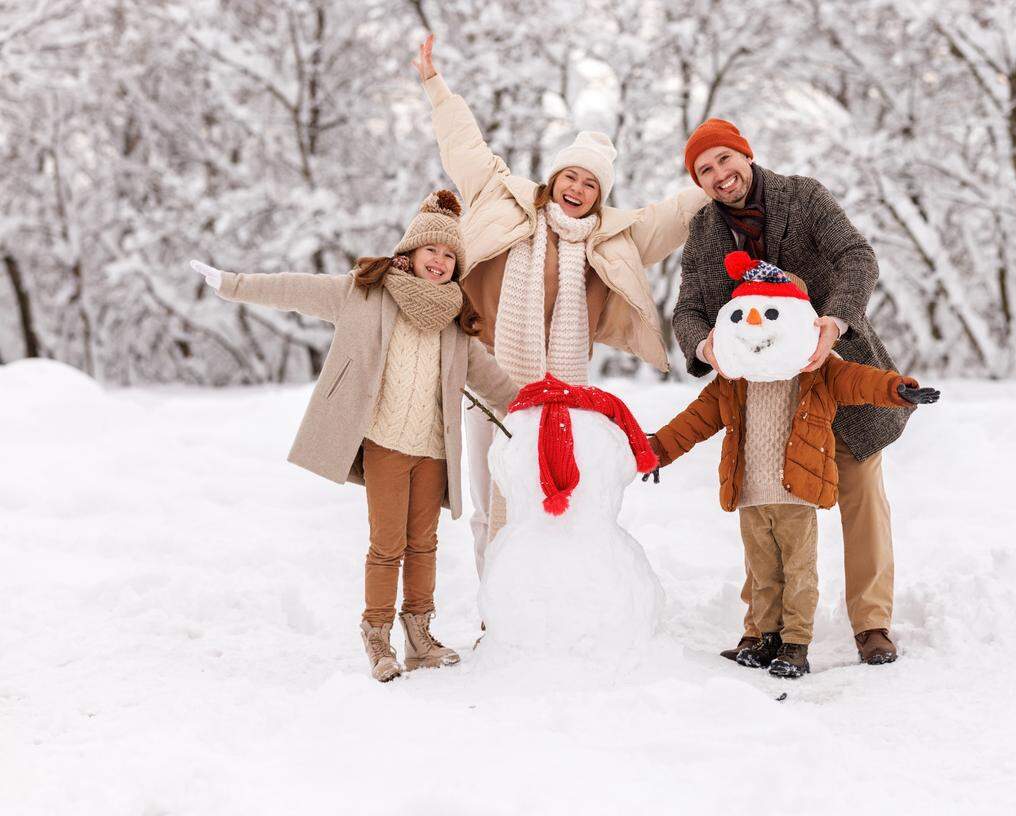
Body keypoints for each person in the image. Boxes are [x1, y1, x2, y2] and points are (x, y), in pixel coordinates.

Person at [189, 191, 517, 683]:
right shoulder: (366, 294)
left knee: (423, 545)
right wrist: (234, 285)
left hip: (431, 449)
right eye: (433, 251)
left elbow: (490, 379)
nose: (441, 262)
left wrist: (540, 406)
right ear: (409, 253)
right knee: (387, 545)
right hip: (385, 441)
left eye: (450, 257)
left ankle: (420, 635)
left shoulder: (454, 321)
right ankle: (378, 636)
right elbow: (297, 290)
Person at [412, 35, 708, 576]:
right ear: (555, 177)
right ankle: (493, 610)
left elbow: (670, 216)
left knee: (548, 501)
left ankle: (542, 597)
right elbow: (465, 145)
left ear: (600, 195)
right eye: (571, 175)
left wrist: (715, 179)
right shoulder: (503, 198)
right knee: (490, 497)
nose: (578, 187)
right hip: (489, 377)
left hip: (561, 393)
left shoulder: (612, 238)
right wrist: (436, 86)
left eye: (591, 183)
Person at [673, 118, 912, 665]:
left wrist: (835, 321)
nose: (719, 175)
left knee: (861, 497)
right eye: (704, 170)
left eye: (724, 160)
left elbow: (858, 256)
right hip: (763, 398)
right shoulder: (704, 233)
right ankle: (762, 628)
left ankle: (872, 623)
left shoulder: (802, 197)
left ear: (746, 155)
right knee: (764, 511)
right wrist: (704, 346)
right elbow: (686, 309)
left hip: (833, 372)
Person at [648, 254, 939, 677]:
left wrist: (898, 389)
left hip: (795, 492)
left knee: (799, 572)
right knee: (763, 572)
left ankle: (796, 643)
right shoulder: (733, 378)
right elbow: (695, 420)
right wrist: (657, 449)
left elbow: (860, 380)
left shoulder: (818, 370)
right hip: (750, 492)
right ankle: (766, 636)